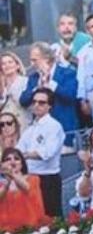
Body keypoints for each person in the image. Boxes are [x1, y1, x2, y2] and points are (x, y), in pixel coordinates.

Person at [16, 87, 64, 218]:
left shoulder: (54, 126)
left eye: (41, 102)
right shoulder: (30, 128)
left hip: (47, 179)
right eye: (34, 102)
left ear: (50, 106)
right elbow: (19, 149)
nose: (36, 105)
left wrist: (25, 155)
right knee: (32, 218)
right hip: (30, 178)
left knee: (51, 218)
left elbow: (48, 153)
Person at [0, 148, 44, 231]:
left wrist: (12, 174)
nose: (12, 162)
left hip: (29, 228)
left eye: (16, 159)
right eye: (8, 159)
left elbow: (26, 188)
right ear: (2, 164)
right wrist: (7, 184)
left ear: (22, 164)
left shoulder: (33, 179)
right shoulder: (2, 184)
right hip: (5, 230)